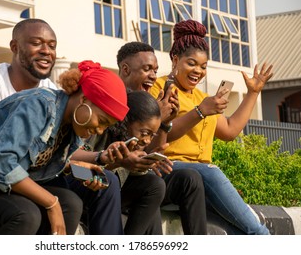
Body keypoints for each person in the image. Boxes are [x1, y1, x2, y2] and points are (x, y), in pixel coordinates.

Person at [0, 60, 129, 235]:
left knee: (71, 204)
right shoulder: (39, 105)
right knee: (26, 214)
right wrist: (51, 203)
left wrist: (80, 170)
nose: (101, 131)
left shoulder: (71, 128)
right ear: (84, 100)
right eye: (101, 121)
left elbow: (40, 163)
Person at [149, 19, 272, 235]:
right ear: (175, 60)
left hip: (199, 183)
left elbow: (230, 130)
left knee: (238, 230)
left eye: (203, 66)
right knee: (211, 173)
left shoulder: (202, 97)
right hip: (169, 170)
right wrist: (200, 112)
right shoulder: (158, 88)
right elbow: (161, 130)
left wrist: (253, 92)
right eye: (191, 63)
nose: (198, 71)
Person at [74, 42, 207, 235]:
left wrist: (163, 124)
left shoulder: (150, 103)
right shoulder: (104, 104)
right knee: (131, 182)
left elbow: (146, 149)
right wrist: (114, 160)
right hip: (93, 177)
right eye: (147, 69)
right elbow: (76, 165)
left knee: (178, 180)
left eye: (155, 70)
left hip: (122, 176)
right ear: (126, 69)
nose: (153, 76)